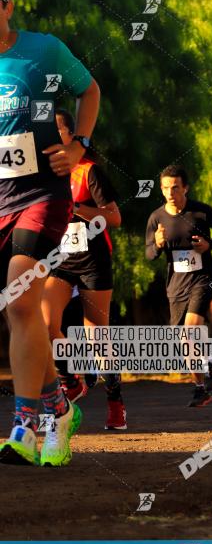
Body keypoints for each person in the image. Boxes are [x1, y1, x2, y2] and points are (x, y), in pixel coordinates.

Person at [0, 0, 100, 465]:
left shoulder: (43, 51)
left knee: (19, 300)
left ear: (9, 5)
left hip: (42, 193)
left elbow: (90, 90)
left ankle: (25, 426)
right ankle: (58, 406)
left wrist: (79, 146)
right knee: (17, 311)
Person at [41, 109, 126, 430]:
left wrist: (75, 208)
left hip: (93, 260)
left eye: (57, 129)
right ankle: (71, 380)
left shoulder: (89, 172)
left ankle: (115, 403)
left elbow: (114, 218)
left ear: (71, 134)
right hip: (60, 262)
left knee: (97, 338)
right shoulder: (43, 173)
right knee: (47, 323)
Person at [145, 165, 212, 407]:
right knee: (184, 341)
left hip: (203, 278)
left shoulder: (201, 212)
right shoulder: (156, 218)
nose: (170, 192)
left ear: (186, 188)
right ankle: (201, 386)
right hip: (176, 286)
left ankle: (207, 367)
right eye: (165, 188)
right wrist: (158, 244)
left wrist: (209, 244)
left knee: (191, 331)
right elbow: (149, 254)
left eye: (175, 187)